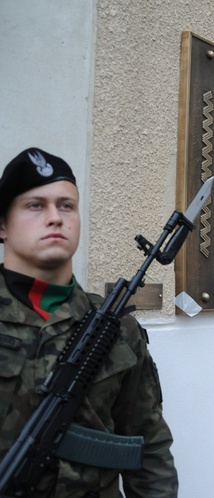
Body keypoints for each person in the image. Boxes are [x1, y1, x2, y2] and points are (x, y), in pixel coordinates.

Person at [0, 148, 178, 496]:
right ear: (3, 225)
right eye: (35, 205)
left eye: (66, 205)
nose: (55, 217)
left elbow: (148, 444)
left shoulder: (118, 329)